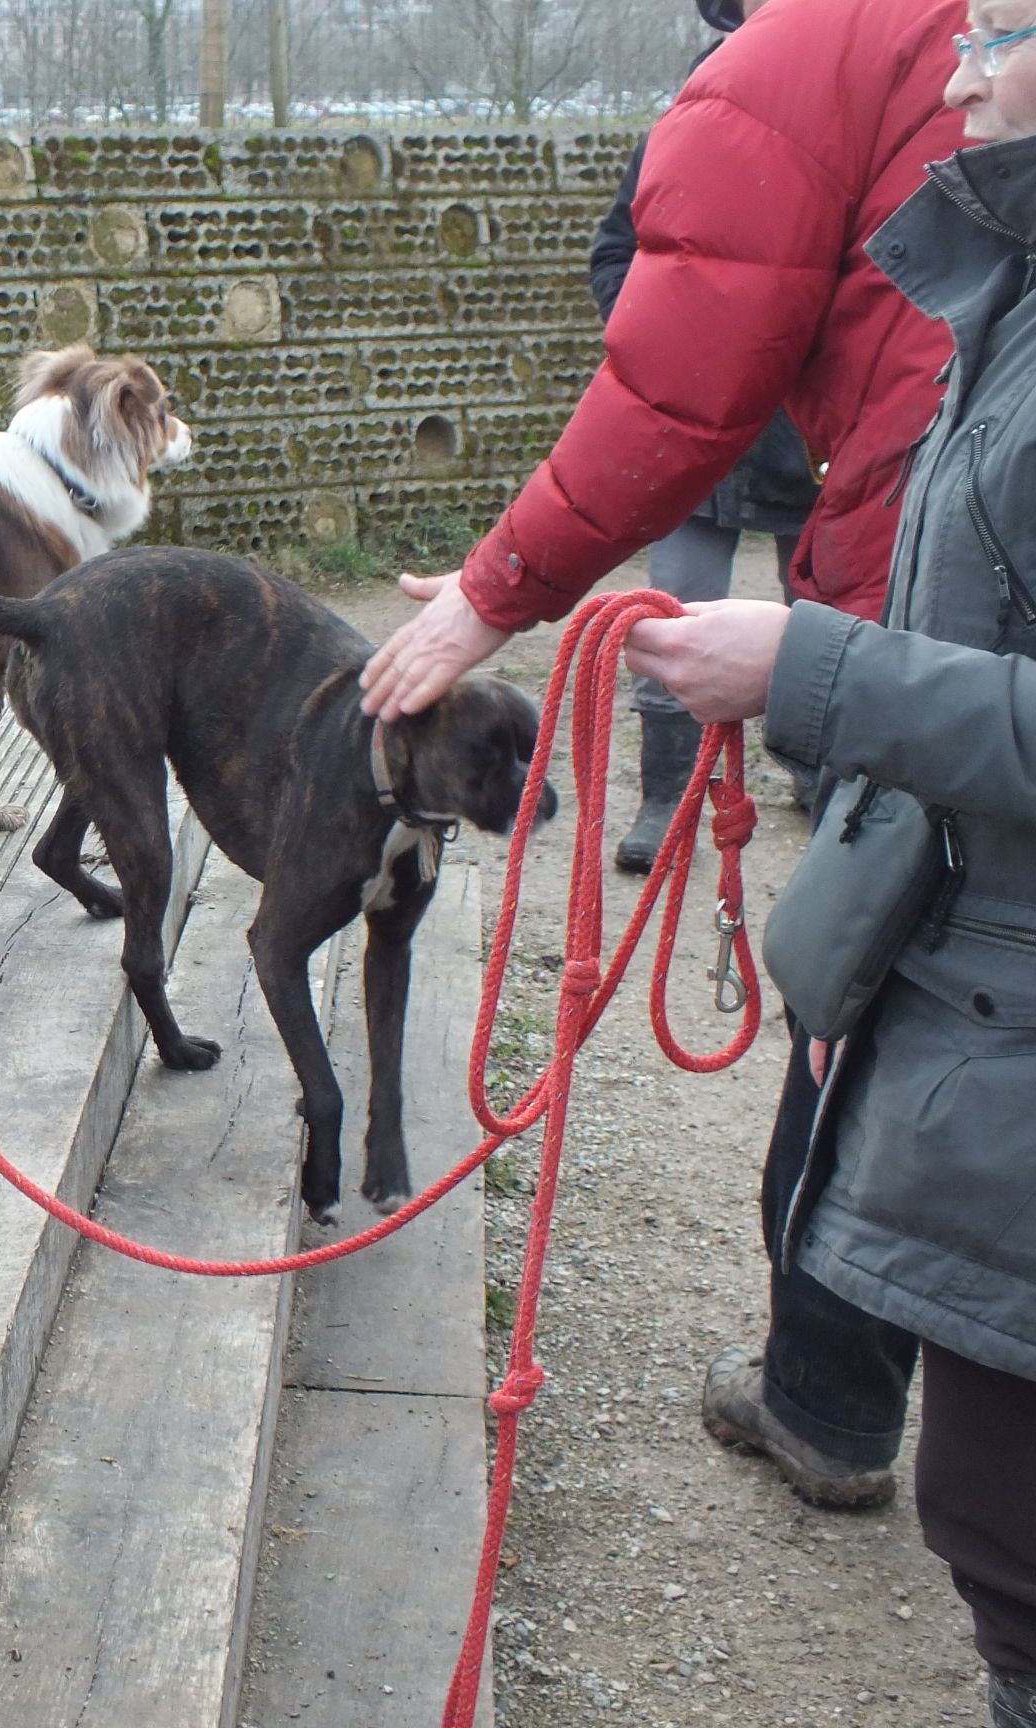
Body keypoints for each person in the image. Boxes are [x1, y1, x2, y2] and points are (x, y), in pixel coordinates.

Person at [359, 0, 964, 1510]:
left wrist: (498, 587)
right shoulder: (923, 53)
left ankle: (830, 1394)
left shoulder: (795, 60)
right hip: (907, 524)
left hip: (932, 561)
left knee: (868, 979)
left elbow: (676, 376)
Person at [624, 14, 1036, 1716]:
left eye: (1001, 29)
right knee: (991, 1513)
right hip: (970, 968)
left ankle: (821, 1401)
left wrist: (809, 671)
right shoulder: (997, 287)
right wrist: (852, 955)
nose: (956, 72)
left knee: (1007, 1522)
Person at [588, 0, 823, 871]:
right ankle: (669, 793)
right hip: (698, 428)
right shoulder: (678, 129)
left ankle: (821, 772)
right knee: (675, 609)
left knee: (824, 609)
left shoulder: (840, 134)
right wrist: (665, 334)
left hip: (808, 431)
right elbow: (617, 252)